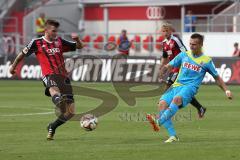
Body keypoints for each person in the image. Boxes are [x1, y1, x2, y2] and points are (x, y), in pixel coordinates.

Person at [146, 33, 233, 143]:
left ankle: (158, 121)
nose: (191, 46)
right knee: (162, 104)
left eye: (194, 44)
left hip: (190, 88)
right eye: (190, 44)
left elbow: (217, 78)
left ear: (201, 44)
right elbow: (170, 65)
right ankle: (173, 136)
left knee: (177, 100)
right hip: (176, 85)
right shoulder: (184, 55)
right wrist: (163, 69)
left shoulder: (206, 61)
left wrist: (227, 90)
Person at [9, 19, 84, 140]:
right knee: (53, 90)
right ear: (46, 30)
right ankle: (59, 101)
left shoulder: (60, 41)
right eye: (53, 31)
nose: (56, 33)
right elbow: (22, 54)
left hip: (63, 76)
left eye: (56, 31)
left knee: (70, 113)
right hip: (48, 75)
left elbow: (79, 46)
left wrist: (77, 40)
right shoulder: (36, 43)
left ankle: (52, 126)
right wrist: (13, 67)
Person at [160, 22, 206, 118]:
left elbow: (185, 52)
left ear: (170, 31)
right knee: (183, 91)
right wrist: (161, 67)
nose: (165, 33)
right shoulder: (164, 43)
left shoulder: (176, 40)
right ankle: (200, 107)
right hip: (174, 68)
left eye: (167, 31)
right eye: (163, 31)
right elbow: (164, 56)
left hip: (182, 67)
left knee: (168, 84)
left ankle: (166, 109)